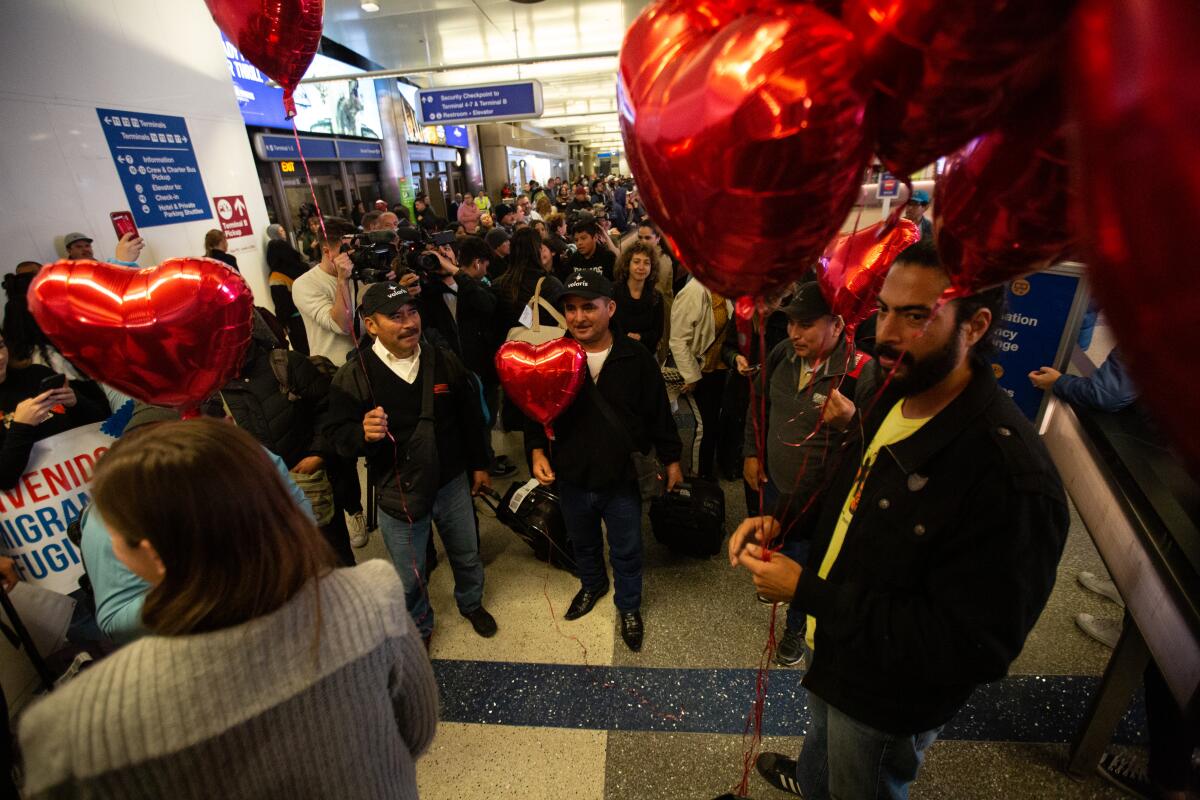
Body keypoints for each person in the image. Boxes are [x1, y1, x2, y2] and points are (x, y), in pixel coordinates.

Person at [731, 241, 1068, 800]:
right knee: (824, 761)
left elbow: (973, 647)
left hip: (884, 698)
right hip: (835, 651)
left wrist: (809, 592)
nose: (886, 333)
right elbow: (854, 484)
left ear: (976, 325)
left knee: (861, 781)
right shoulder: (897, 391)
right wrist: (786, 524)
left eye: (917, 316)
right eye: (885, 309)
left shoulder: (1008, 476)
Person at [20, 419, 438, 799]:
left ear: (151, 554)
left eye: (115, 534)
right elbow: (416, 732)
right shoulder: (372, 596)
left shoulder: (71, 730)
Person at [322, 281, 497, 645]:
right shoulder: (353, 375)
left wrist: (480, 464)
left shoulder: (442, 359)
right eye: (395, 316)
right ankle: (420, 624)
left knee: (466, 553)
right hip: (396, 489)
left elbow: (470, 418)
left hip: (451, 483)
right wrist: (362, 434)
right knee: (410, 574)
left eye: (412, 312)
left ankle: (471, 602)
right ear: (371, 325)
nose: (408, 323)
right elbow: (336, 437)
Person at [527, 270, 683, 652]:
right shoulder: (553, 357)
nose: (579, 317)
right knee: (583, 543)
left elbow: (659, 412)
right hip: (572, 474)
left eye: (589, 308)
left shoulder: (637, 358)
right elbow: (535, 410)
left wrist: (672, 459)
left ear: (610, 308)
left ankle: (628, 605)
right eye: (571, 309)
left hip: (621, 479)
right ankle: (592, 584)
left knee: (627, 548)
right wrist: (534, 450)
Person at [741, 282, 870, 666]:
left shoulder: (859, 373)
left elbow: (878, 449)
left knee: (808, 567)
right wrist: (752, 452)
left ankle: (796, 627)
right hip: (778, 485)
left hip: (822, 503)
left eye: (806, 324)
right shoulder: (784, 354)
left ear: (837, 324)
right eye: (792, 323)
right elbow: (758, 404)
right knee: (782, 546)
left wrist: (853, 421)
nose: (794, 333)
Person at [0, 333, 109, 489]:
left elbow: (101, 425)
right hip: (36, 504)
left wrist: (76, 403)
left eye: (1, 346)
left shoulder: (36, 374)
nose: (0, 357)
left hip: (86, 481)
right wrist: (22, 426)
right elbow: (4, 478)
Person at [669, 275, 733, 480]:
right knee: (704, 425)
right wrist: (691, 375)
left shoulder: (727, 288)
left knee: (712, 423)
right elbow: (678, 340)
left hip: (719, 367)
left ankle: (706, 471)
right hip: (698, 369)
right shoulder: (694, 291)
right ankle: (697, 476)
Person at [291, 217, 359, 367]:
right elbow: (342, 326)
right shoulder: (305, 284)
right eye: (347, 250)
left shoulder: (361, 273)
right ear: (327, 252)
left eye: (356, 249)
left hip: (372, 362)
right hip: (336, 370)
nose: (354, 255)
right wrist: (342, 281)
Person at [611, 241, 663, 357]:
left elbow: (657, 332)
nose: (641, 267)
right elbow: (607, 326)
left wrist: (640, 337)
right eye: (636, 262)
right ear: (627, 264)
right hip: (618, 353)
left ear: (652, 267)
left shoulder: (656, 297)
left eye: (646, 263)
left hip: (646, 354)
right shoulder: (613, 291)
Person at [266, 224, 311, 355]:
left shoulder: (276, 276)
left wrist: (281, 324)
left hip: (296, 323)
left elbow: (282, 305)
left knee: (305, 355)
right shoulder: (304, 268)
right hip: (311, 314)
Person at [63, 231, 144, 266]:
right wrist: (122, 262)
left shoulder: (101, 265)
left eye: (87, 246)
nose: (85, 249)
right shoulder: (69, 275)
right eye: (79, 247)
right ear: (69, 250)